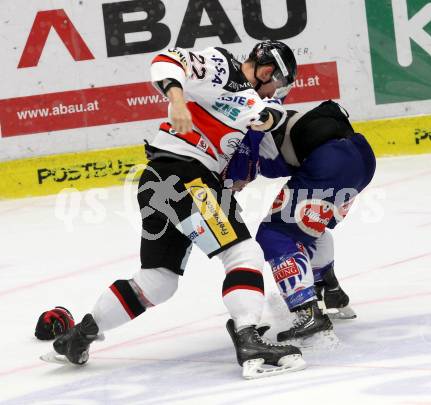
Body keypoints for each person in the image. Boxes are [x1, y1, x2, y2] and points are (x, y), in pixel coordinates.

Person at [49, 41, 307, 378]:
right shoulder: (223, 67)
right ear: (266, 70)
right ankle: (248, 339)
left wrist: (244, 160)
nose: (279, 91)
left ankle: (79, 335)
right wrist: (176, 98)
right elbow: (166, 60)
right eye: (278, 83)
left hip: (161, 182)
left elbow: (252, 133)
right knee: (244, 255)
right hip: (186, 177)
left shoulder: (254, 103)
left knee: (157, 282)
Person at [224, 99, 376, 346]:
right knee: (307, 227)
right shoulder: (260, 115)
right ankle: (329, 289)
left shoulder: (240, 133)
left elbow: (238, 173)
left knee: (274, 235)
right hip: (360, 159)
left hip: (331, 161)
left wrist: (228, 183)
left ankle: (307, 313)